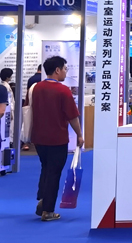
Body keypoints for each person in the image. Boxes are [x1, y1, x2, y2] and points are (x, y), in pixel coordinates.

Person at [31, 56, 83, 222]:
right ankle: (48, 210)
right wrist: (79, 134)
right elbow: (72, 116)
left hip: (39, 137)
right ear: (57, 70)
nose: (66, 72)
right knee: (54, 173)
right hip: (57, 138)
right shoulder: (63, 90)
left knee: (46, 168)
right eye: (65, 69)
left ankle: (42, 199)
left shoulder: (36, 88)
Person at [23, 64, 43, 150]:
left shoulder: (31, 79)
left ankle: (27, 142)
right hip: (41, 105)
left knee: (29, 122)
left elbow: (28, 93)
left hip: (31, 104)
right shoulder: (43, 79)